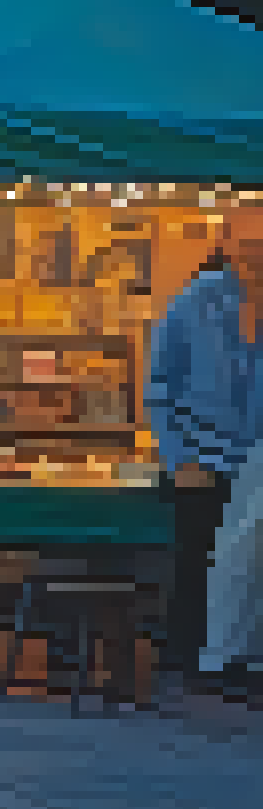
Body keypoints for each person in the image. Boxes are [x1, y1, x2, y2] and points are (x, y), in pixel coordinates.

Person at [146, 204, 263, 688]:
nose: (256, 256)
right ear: (227, 245)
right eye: (250, 245)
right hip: (203, 457)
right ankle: (193, 661)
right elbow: (159, 389)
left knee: (247, 567)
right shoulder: (193, 304)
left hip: (256, 462)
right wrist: (180, 458)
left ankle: (235, 660)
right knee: (199, 559)